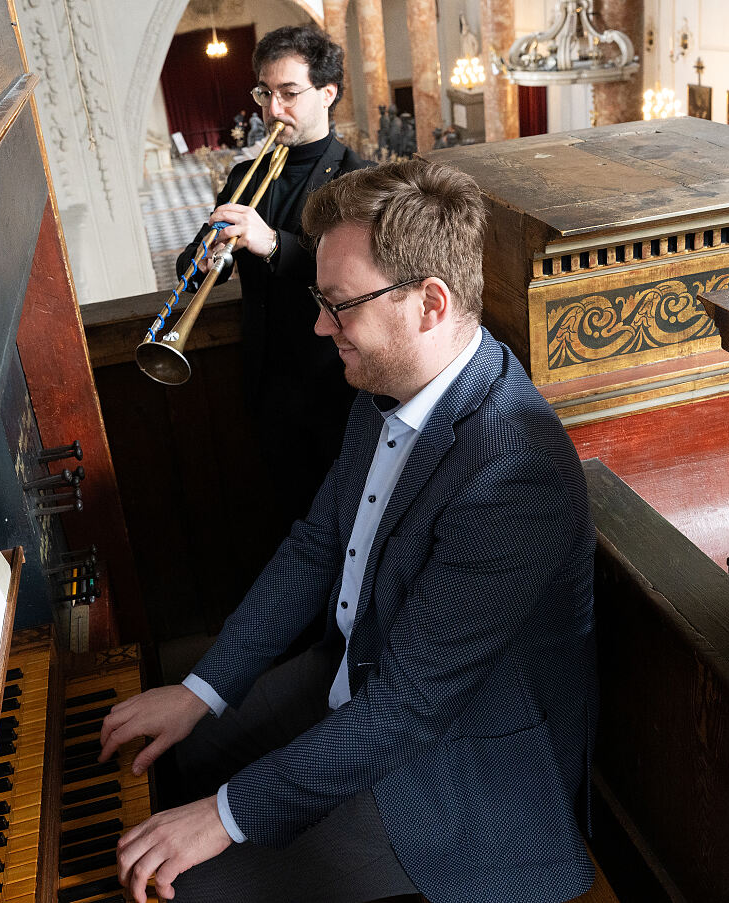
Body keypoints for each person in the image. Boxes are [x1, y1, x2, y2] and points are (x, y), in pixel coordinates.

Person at [102, 159, 599, 903]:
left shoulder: (512, 472)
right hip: (353, 678)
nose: (318, 325)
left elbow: (407, 706)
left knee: (184, 886)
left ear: (428, 303)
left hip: (453, 772)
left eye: (339, 305)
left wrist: (225, 816)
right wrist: (203, 688)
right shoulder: (388, 380)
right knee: (169, 760)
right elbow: (315, 543)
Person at [175, 24, 369, 544]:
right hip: (266, 379)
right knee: (289, 514)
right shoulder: (243, 175)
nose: (272, 109)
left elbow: (357, 277)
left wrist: (273, 244)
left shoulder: (356, 177)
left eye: (289, 93)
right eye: (265, 93)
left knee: (344, 523)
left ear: (327, 93)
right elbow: (186, 267)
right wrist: (206, 253)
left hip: (333, 381)